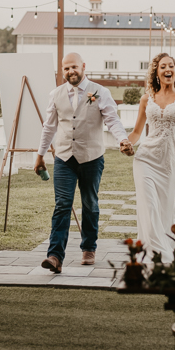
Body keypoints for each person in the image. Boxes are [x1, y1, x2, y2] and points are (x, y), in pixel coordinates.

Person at [34, 52, 133, 273]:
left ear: (83, 67)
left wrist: (123, 139)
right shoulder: (56, 94)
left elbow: (112, 119)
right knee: (62, 205)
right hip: (64, 158)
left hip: (91, 158)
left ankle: (89, 247)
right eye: (66, 68)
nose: (70, 72)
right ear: (63, 71)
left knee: (90, 204)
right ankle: (55, 256)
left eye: (74, 67)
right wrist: (40, 155)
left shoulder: (100, 92)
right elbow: (49, 126)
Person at [127, 23, 175, 262]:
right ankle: (156, 254)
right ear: (156, 73)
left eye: (171, 66)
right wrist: (126, 143)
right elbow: (137, 132)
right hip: (145, 159)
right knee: (148, 207)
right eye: (163, 66)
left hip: (169, 162)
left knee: (164, 210)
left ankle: (173, 242)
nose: (168, 69)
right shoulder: (147, 99)